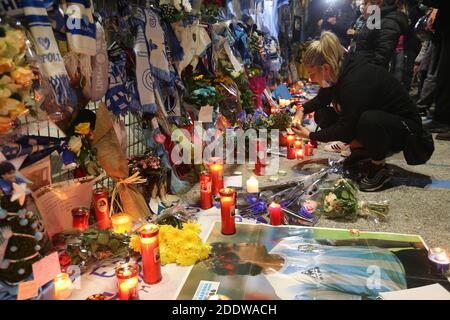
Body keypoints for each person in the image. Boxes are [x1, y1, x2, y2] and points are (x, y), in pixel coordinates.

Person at [291, 32, 427, 192]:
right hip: (383, 123)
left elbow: (346, 129)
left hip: (407, 131)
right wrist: (301, 110)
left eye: (312, 74)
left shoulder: (355, 81)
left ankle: (379, 168)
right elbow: (322, 99)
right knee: (323, 114)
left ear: (325, 67)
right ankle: (363, 152)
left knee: (368, 120)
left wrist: (310, 136)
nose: (310, 80)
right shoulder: (339, 68)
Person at [209, 238, 408, 300]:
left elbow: (345, 242)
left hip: (399, 256)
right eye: (237, 248)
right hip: (404, 288)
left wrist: (406, 245)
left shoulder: (287, 243)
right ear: (241, 263)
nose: (244, 242)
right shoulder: (289, 290)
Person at [420, 0, 450, 140]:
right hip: (443, 30)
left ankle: (443, 120)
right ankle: (441, 118)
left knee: (444, 78)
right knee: (441, 78)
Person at [352, 0, 409, 69]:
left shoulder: (389, 22)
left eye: (366, 3)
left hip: (368, 73)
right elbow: (366, 42)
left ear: (378, 3)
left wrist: (359, 71)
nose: (362, 7)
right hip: (360, 67)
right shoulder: (376, 18)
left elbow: (380, 59)